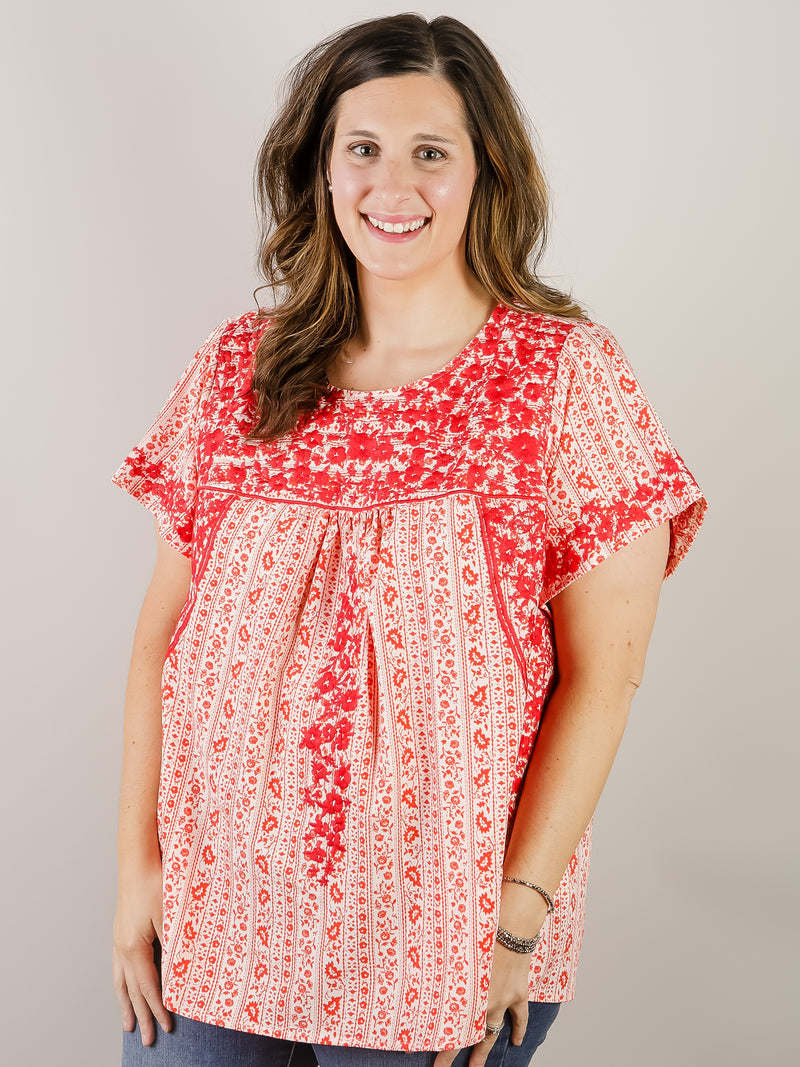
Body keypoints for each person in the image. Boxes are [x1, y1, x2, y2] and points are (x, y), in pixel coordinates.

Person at [111, 13, 706, 1067]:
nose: (395, 184)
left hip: (443, 935)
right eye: (363, 149)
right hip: (218, 914)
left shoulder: (562, 380)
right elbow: (164, 643)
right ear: (321, 168)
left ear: (484, 171)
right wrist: (136, 870)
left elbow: (599, 680)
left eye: (431, 151)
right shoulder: (239, 370)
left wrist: (511, 923)